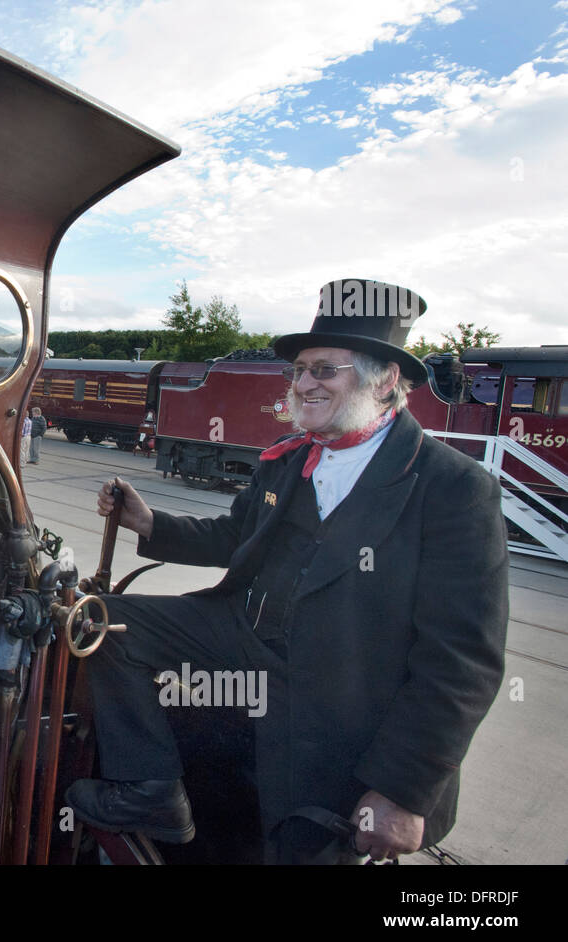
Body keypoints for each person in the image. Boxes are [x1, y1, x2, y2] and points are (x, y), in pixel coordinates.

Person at [64, 280, 508, 863]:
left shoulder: (452, 487)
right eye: (298, 371)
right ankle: (151, 789)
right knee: (106, 625)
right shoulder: (290, 458)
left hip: (342, 695)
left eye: (325, 370)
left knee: (296, 847)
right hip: (247, 641)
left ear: (386, 380)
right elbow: (236, 536)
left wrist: (404, 792)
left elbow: (463, 659)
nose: (303, 385)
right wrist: (150, 523)